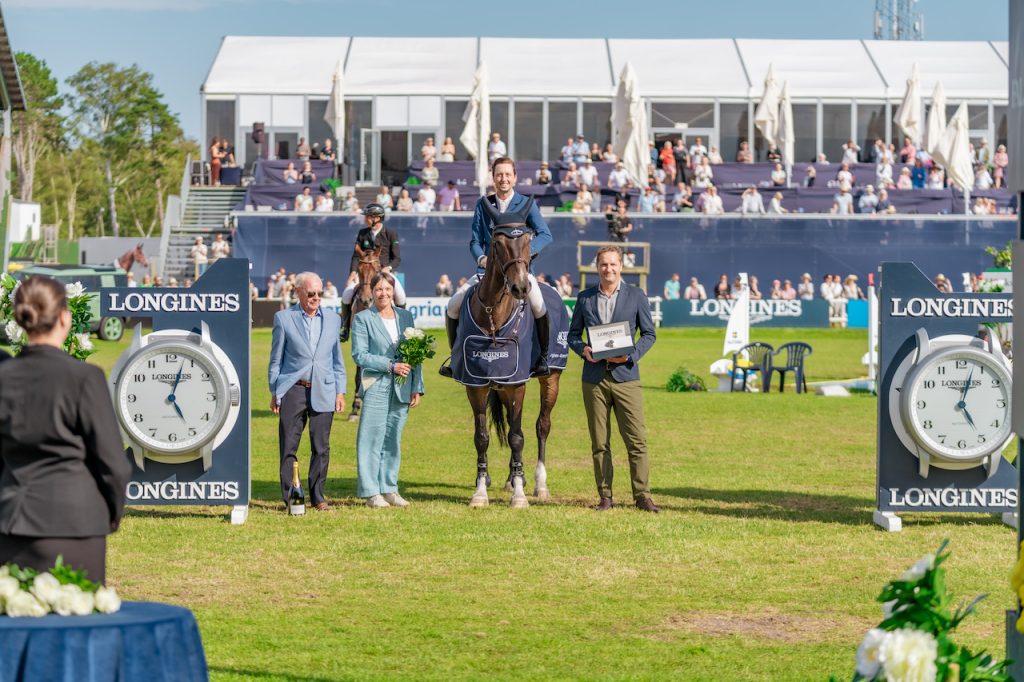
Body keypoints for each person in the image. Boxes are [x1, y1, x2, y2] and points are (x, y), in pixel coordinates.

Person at [0, 276, 131, 582]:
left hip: (11, 521)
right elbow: (113, 462)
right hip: (78, 524)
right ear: (64, 318)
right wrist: (110, 514)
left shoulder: (4, 377)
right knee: (79, 626)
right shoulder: (85, 378)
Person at [441, 156, 554, 377]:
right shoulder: (483, 204)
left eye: (507, 174)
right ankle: (455, 359)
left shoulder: (525, 203)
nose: (503, 179)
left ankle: (542, 359)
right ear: (493, 178)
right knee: (453, 305)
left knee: (539, 305)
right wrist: (481, 259)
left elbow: (545, 234)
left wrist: (523, 256)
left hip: (518, 272)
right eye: (499, 174)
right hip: (488, 272)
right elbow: (475, 241)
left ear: (515, 177)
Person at [567, 246, 659, 513]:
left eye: (613, 264)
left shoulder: (636, 295)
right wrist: (583, 350)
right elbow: (573, 335)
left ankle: (642, 495)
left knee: (636, 439)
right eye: (603, 265)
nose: (608, 269)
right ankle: (605, 496)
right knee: (599, 441)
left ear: (621, 266)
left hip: (626, 377)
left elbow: (649, 334)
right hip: (594, 379)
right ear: (597, 267)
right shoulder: (585, 299)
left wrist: (630, 357)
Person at [268, 272, 346, 512]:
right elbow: (275, 360)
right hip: (293, 389)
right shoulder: (283, 318)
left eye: (319, 293)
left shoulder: (333, 319)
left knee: (321, 447)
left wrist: (340, 391)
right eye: (310, 293)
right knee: (289, 445)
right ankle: (291, 497)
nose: (315, 298)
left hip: (325, 389)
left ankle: (318, 497)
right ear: (298, 292)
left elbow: (337, 360)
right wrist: (276, 390)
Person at [351, 272, 424, 508]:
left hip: (403, 387)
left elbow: (416, 355)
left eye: (387, 289)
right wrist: (390, 366)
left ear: (394, 291)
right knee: (371, 439)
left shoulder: (406, 316)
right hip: (376, 384)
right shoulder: (363, 319)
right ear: (372, 292)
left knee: (393, 439)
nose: (383, 293)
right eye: (379, 289)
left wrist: (417, 386)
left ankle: (389, 488)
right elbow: (360, 355)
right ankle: (371, 492)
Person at [340, 203, 405, 341]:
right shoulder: (362, 233)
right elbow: (356, 256)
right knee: (347, 294)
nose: (365, 219)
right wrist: (352, 272)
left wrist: (388, 267)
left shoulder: (390, 233)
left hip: (385, 273)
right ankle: (345, 328)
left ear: (377, 218)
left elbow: (397, 258)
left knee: (401, 296)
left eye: (368, 217)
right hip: (365, 273)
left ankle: (403, 327)